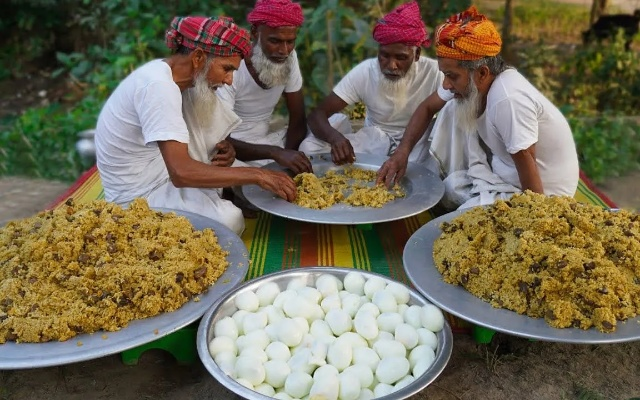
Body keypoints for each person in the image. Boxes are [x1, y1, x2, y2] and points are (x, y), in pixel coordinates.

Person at [95, 16, 297, 235]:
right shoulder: (158, 87)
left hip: (164, 173)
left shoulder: (175, 78)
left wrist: (225, 149)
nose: (229, 80)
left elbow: (190, 137)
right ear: (199, 57)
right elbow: (181, 173)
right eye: (227, 69)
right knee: (230, 221)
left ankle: (221, 193)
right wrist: (258, 175)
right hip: (138, 198)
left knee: (203, 100)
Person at [377, 6, 579, 209]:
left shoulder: (508, 100)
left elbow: (529, 168)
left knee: (463, 222)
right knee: (452, 110)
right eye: (445, 75)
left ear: (482, 73)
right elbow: (427, 108)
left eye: (452, 76)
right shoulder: (474, 81)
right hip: (503, 173)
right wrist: (400, 154)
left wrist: (535, 220)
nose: (446, 84)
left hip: (543, 194)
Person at [299, 0, 451, 165]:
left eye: (401, 57)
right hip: (376, 140)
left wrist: (404, 151)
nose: (392, 65)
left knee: (440, 164)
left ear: (416, 55)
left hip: (417, 143)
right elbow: (317, 115)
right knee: (309, 148)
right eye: (385, 56)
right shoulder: (365, 72)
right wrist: (335, 139)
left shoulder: (435, 72)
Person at [217, 0, 312, 174]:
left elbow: (297, 121)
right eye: (275, 41)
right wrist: (276, 154)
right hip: (234, 150)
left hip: (268, 143)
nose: (284, 50)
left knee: (330, 129)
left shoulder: (289, 57)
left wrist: (288, 162)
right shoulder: (231, 68)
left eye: (290, 42)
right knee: (221, 166)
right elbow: (220, 140)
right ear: (255, 33)